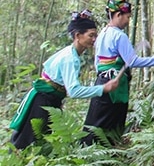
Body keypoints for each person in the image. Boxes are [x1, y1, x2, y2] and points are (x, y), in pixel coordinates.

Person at [9, 10, 120, 149]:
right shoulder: (70, 59)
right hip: (42, 100)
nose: (94, 39)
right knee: (26, 142)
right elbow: (74, 91)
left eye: (95, 36)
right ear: (78, 36)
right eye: (91, 35)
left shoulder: (72, 54)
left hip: (49, 99)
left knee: (37, 141)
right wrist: (103, 88)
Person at [82, 0, 154, 145]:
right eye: (128, 17)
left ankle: (88, 150)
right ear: (117, 15)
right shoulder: (119, 36)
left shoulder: (103, 33)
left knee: (96, 118)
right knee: (111, 121)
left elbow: (98, 62)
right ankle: (107, 156)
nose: (128, 21)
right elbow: (133, 61)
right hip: (115, 84)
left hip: (101, 81)